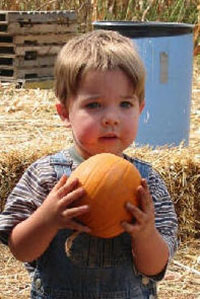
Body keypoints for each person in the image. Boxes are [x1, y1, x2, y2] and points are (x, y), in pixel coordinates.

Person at [0, 30, 178, 299]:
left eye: (125, 104)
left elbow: (155, 268)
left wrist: (145, 234)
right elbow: (19, 249)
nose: (111, 118)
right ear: (64, 113)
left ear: (140, 109)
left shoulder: (147, 183)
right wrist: (47, 219)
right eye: (94, 105)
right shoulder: (46, 176)